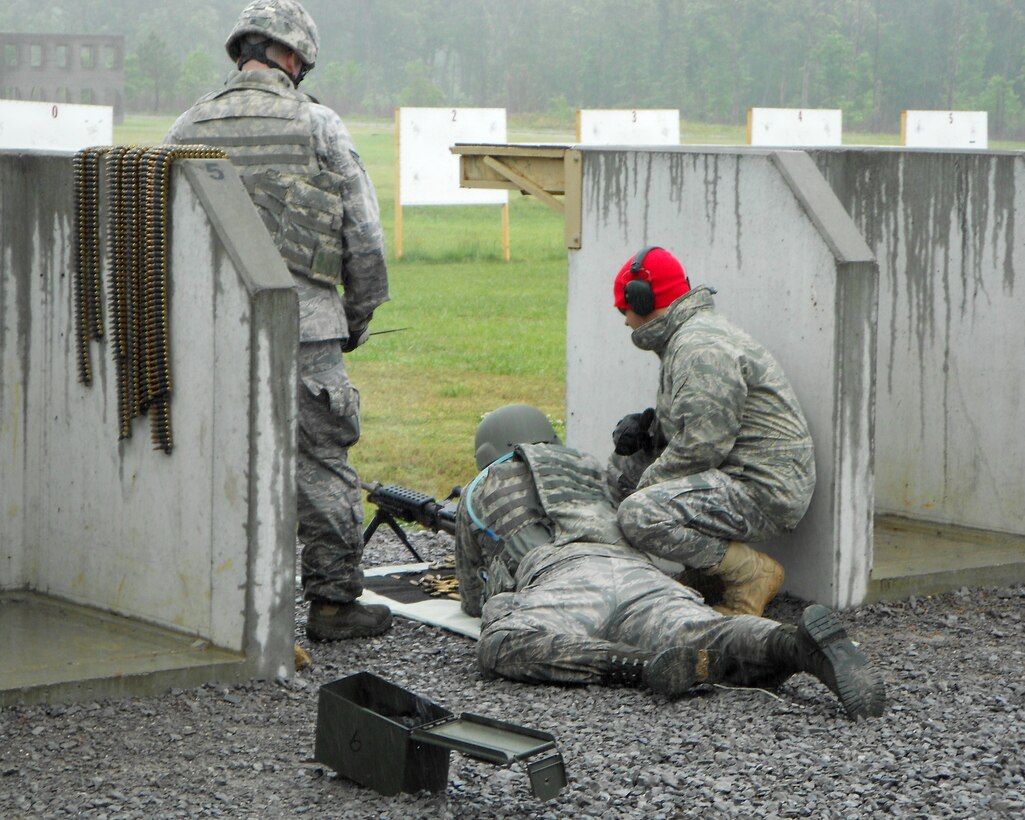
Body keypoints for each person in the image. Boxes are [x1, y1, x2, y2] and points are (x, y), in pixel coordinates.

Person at [166, 0, 391, 640]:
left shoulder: (188, 124)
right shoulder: (319, 125)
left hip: (211, 323)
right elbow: (364, 239)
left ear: (242, 50)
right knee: (321, 461)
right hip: (306, 325)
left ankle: (212, 599)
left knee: (214, 454)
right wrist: (355, 315)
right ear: (293, 55)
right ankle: (332, 605)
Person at [455, 404, 883, 720]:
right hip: (638, 574)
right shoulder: (586, 465)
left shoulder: (481, 486)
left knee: (500, 643)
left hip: (562, 577)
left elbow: (473, 600)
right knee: (707, 630)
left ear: (487, 451)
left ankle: (634, 665)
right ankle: (795, 644)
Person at [608, 246, 816, 618]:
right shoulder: (688, 337)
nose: (624, 320)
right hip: (743, 473)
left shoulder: (699, 346)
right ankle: (709, 574)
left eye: (624, 308)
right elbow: (701, 423)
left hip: (764, 489)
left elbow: (702, 446)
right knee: (626, 464)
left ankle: (752, 575)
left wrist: (644, 490)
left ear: (642, 299)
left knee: (639, 514)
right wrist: (649, 428)